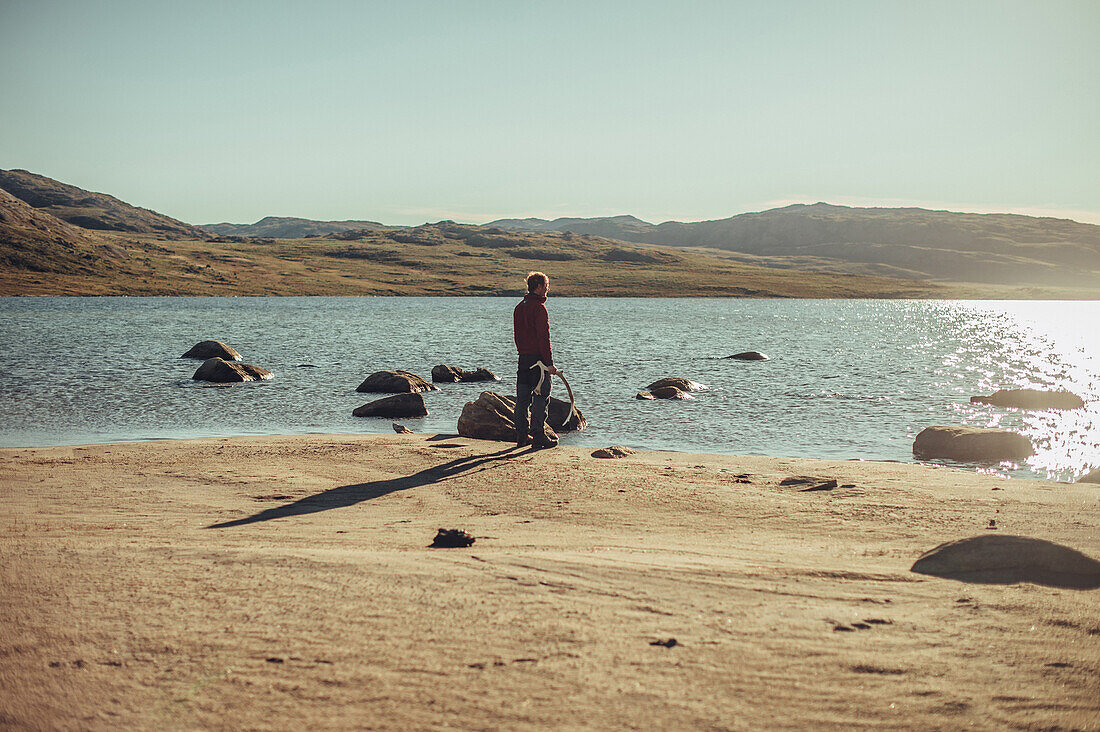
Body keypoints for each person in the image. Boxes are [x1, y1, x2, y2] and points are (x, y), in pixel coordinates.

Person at [513, 271, 561, 449]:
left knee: (522, 399)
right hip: (538, 362)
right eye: (546, 286)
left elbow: (517, 336)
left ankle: (521, 436)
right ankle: (538, 435)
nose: (548, 289)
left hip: (523, 359)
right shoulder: (539, 308)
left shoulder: (519, 307)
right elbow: (543, 338)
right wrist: (549, 363)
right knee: (541, 397)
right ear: (539, 287)